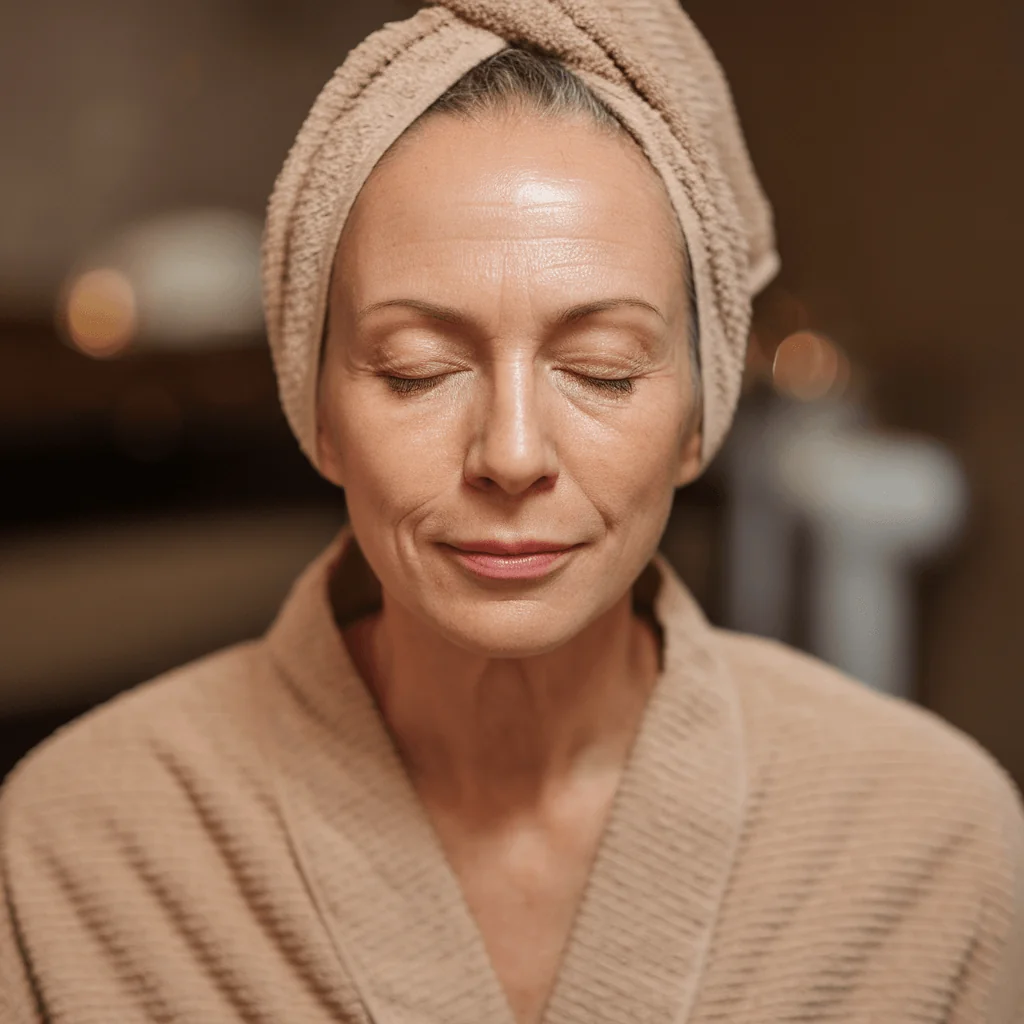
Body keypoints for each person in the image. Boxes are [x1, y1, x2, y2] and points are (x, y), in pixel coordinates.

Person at [2, 2, 1022, 1023]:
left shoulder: (927, 841)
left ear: (695, 419)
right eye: (418, 369)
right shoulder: (77, 848)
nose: (512, 454)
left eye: (600, 369)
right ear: (318, 416)